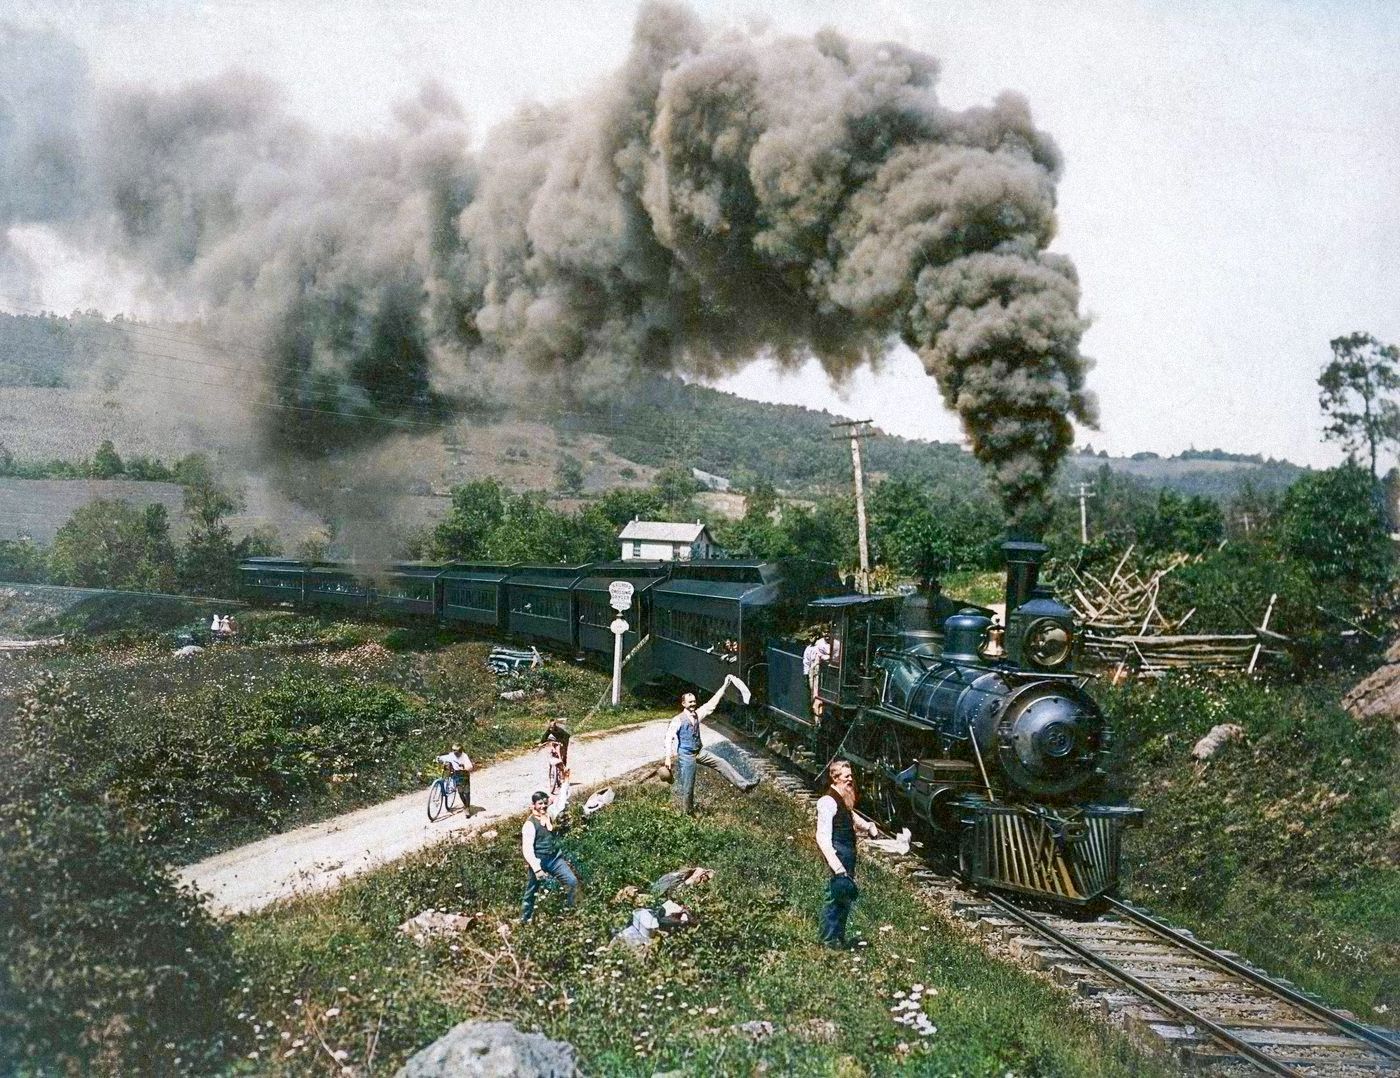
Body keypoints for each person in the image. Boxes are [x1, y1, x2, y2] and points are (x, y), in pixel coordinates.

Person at [663, 674, 758, 814]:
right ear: (683, 704)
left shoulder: (697, 714)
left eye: (694, 701)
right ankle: (686, 813)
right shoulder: (678, 720)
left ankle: (744, 785)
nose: (693, 704)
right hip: (686, 755)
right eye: (690, 702)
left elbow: (711, 703)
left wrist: (725, 686)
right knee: (689, 785)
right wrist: (668, 757)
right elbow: (668, 737)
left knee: (721, 762)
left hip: (699, 752)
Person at [815, 758, 879, 948]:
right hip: (839, 855)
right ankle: (827, 942)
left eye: (851, 775)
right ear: (835, 778)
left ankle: (838, 939)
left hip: (848, 854)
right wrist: (837, 867)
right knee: (834, 898)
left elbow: (851, 816)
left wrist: (868, 826)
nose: (851, 779)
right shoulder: (827, 801)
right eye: (846, 776)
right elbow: (822, 837)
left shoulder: (841, 799)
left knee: (844, 898)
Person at [521, 780, 578, 922]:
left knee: (572, 882)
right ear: (533, 805)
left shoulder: (550, 814)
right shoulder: (529, 824)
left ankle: (571, 912)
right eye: (539, 804)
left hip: (554, 859)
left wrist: (565, 782)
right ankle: (525, 919)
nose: (543, 806)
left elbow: (561, 802)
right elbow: (527, 850)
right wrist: (537, 869)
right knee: (531, 891)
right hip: (539, 862)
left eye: (545, 803)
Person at [435, 743, 475, 810]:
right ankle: (466, 805)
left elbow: (470, 766)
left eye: (456, 751)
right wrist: (439, 758)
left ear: (460, 751)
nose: (455, 752)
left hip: (464, 773)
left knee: (466, 792)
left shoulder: (464, 756)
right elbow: (444, 757)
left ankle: (467, 807)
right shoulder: (451, 755)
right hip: (457, 773)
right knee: (460, 792)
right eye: (454, 750)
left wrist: (465, 767)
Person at [802, 629, 831, 709]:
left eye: (812, 636)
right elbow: (806, 662)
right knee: (813, 693)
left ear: (816, 636)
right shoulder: (808, 649)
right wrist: (806, 674)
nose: (811, 638)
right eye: (809, 636)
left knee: (820, 694)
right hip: (813, 672)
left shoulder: (820, 645)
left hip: (823, 671)